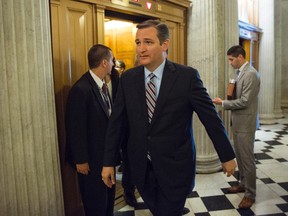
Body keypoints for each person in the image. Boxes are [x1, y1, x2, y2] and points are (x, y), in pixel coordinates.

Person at [101, 20, 236, 216]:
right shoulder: (128, 79)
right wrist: (108, 162)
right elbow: (117, 123)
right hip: (141, 168)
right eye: (138, 43)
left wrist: (227, 155)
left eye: (148, 42)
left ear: (165, 44)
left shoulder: (187, 77)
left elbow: (210, 118)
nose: (141, 49)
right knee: (157, 211)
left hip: (176, 167)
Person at [65, 44, 116, 216]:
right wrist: (81, 160)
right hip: (90, 162)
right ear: (104, 62)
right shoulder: (81, 89)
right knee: (95, 205)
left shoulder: (102, 84)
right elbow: (75, 128)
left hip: (105, 158)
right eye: (111, 60)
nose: (113, 64)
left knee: (107, 202)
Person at [213, 45, 260, 209]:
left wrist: (223, 103)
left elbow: (245, 101)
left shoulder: (251, 74)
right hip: (238, 121)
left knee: (247, 159)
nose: (230, 63)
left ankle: (250, 194)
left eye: (231, 59)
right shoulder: (240, 73)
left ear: (240, 57)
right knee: (240, 156)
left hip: (246, 123)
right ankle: (242, 184)